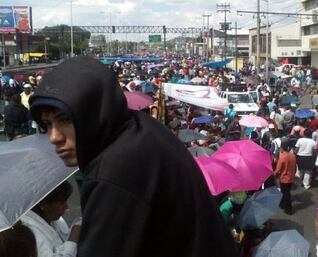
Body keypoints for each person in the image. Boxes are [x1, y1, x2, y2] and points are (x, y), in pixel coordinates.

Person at [29, 57, 238, 257]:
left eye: (65, 120)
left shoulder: (114, 171)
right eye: (47, 124)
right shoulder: (141, 130)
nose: (54, 137)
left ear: (92, 112)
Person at [20, 181, 81, 257]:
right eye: (61, 203)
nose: (66, 206)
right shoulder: (32, 231)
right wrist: (73, 237)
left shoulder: (55, 219)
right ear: (43, 204)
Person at [274, 141, 296, 215]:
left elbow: (278, 169)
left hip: (284, 178)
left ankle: (288, 209)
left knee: (286, 194)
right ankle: (282, 204)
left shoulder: (282, 157)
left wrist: (274, 175)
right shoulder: (292, 155)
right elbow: (295, 167)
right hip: (291, 177)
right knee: (285, 192)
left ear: (282, 148)